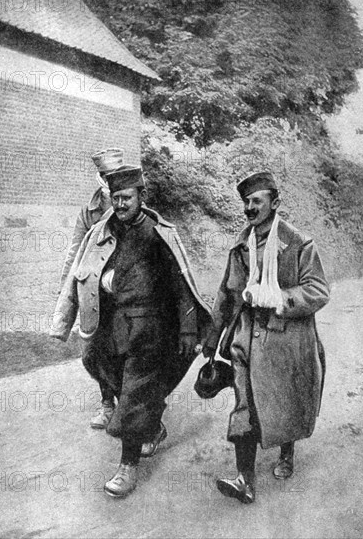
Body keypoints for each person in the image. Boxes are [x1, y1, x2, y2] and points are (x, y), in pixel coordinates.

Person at [51, 149, 211, 497]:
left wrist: (187, 328)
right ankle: (151, 429)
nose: (120, 205)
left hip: (151, 329)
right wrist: (67, 320)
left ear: (141, 196)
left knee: (136, 391)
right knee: (95, 362)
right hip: (113, 326)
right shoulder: (102, 231)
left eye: (126, 198)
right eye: (115, 198)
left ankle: (127, 467)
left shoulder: (157, 233)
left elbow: (181, 284)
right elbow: (77, 277)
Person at [203, 171, 330, 504]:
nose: (249, 208)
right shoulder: (241, 244)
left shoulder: (299, 242)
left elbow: (318, 290)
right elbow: (228, 293)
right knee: (244, 405)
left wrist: (279, 298)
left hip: (286, 339)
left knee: (285, 403)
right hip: (246, 337)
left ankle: (286, 452)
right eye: (246, 202)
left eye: (255, 201)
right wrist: (212, 336)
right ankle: (245, 479)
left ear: (274, 203)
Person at [59, 149, 120, 430]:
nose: (111, 181)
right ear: (100, 177)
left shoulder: (132, 204)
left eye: (115, 175)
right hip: (93, 291)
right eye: (107, 176)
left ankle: (130, 405)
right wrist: (66, 289)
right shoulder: (88, 211)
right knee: (94, 352)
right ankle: (107, 402)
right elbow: (75, 251)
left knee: (124, 350)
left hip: (124, 292)